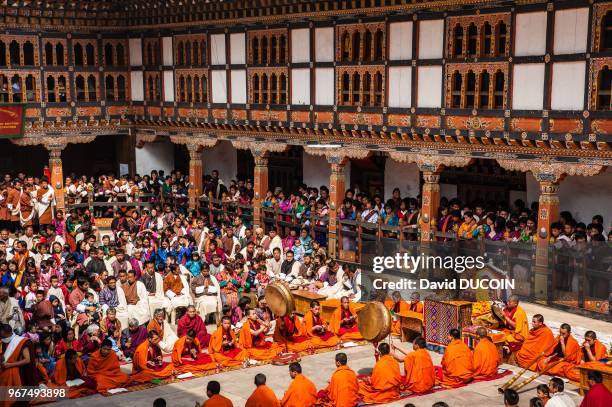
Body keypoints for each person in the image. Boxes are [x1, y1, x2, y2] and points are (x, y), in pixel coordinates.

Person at [0, 323, 35, 395]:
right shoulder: (3, 341)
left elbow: (27, 360)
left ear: (7, 333)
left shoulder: (21, 341)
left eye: (2, 336)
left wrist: (10, 365)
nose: (1, 337)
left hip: (17, 370)